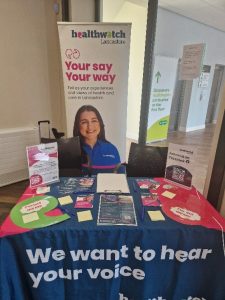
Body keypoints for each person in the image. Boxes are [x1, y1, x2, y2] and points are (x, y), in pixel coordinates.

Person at [73, 105, 123, 174]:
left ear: (100, 123)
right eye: (84, 122)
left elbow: (118, 177)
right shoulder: (72, 151)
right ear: (78, 126)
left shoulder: (112, 149)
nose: (90, 126)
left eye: (94, 121)